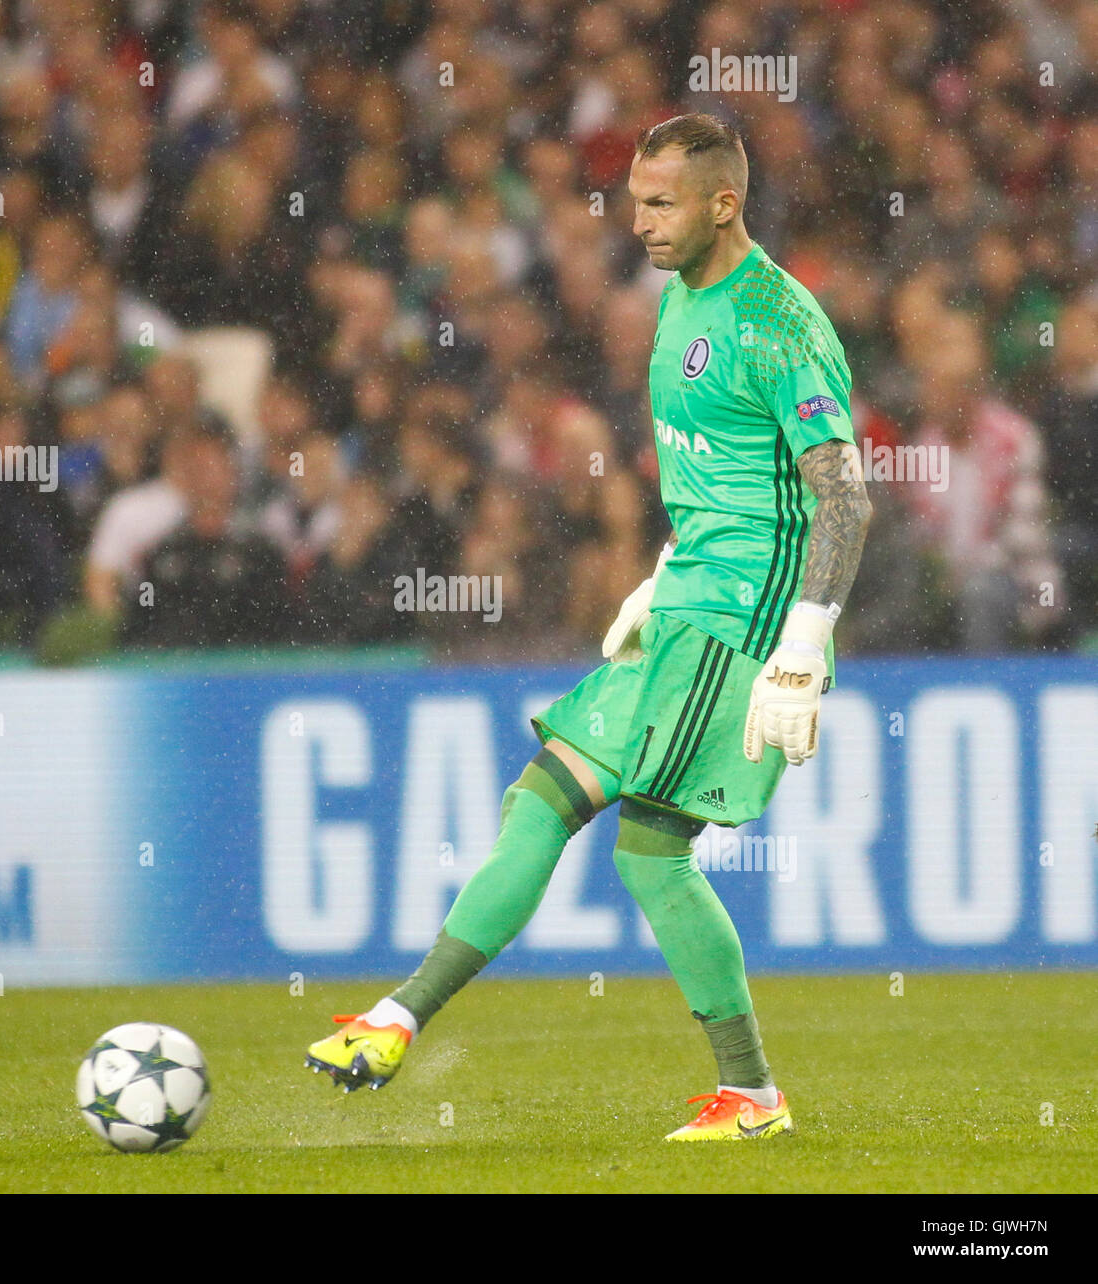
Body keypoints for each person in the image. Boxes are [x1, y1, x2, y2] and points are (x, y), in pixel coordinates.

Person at [304, 114, 873, 1141]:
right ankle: (393, 1021)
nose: (640, 221)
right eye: (633, 199)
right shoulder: (676, 302)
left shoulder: (779, 324)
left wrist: (799, 646)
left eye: (661, 203)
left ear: (723, 203)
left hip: (742, 621)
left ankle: (749, 1095)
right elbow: (719, 476)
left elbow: (843, 499)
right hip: (689, 601)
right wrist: (658, 578)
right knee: (543, 800)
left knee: (649, 854)